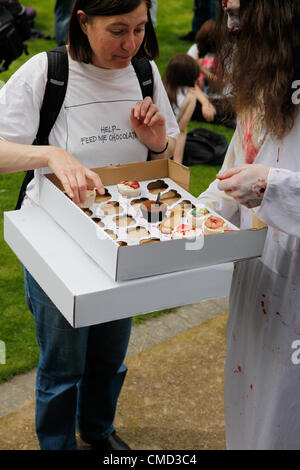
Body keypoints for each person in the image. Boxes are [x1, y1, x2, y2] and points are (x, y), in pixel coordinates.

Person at [0, 0, 179, 451]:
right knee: (62, 366)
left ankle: (97, 431)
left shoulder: (144, 73)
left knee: (109, 356)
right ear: (83, 21)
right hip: (57, 243)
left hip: (124, 237)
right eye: (118, 30)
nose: (132, 43)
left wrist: (158, 144)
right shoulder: (47, 72)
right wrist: (49, 154)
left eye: (140, 29)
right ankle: (57, 443)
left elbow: (167, 153)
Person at [198, 0, 300, 449]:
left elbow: (263, 180)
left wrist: (274, 189)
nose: (232, 26)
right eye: (227, 12)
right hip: (258, 283)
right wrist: (184, 218)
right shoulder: (262, 85)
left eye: (241, 12)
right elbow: (234, 171)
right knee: (251, 412)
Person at [187, 19, 235, 127]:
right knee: (185, 103)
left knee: (230, 108)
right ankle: (223, 120)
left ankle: (218, 117)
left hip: (222, 99)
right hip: (200, 97)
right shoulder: (195, 50)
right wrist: (205, 102)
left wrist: (201, 70)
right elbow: (191, 84)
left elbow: (220, 85)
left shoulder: (228, 52)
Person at [163, 53, 200, 164]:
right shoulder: (191, 95)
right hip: (170, 141)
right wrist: (177, 162)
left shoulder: (162, 87)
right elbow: (182, 130)